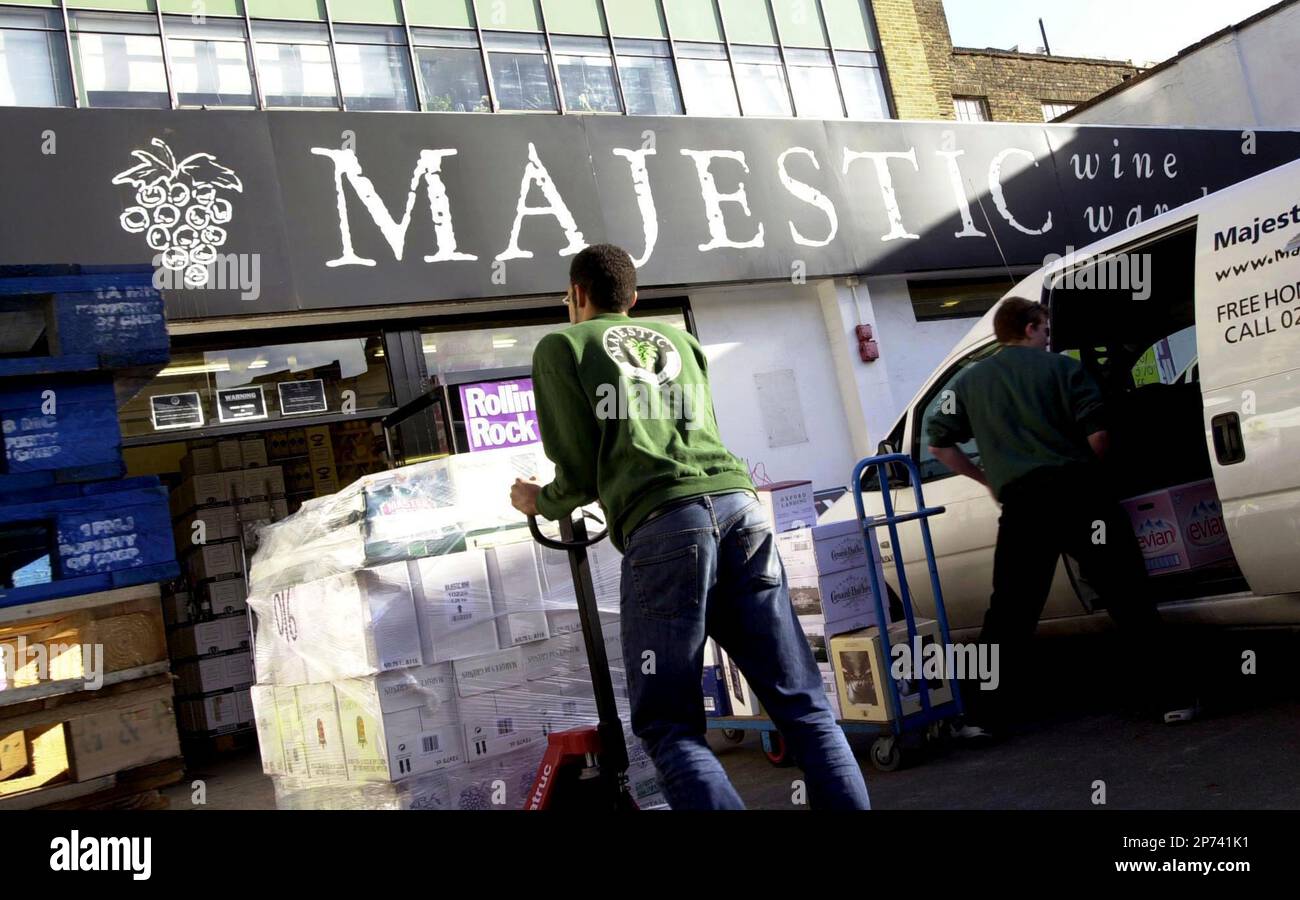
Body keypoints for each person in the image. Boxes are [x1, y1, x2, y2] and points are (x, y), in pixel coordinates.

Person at [509, 244, 871, 810]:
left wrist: (540, 499)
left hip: (665, 529)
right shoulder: (683, 343)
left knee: (669, 724)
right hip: (739, 510)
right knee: (802, 704)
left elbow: (577, 472)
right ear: (633, 298)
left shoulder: (562, 345)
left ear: (576, 295)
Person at [926, 296, 1195, 737]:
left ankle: (982, 717)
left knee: (1010, 611)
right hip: (1082, 499)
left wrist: (988, 479)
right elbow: (1101, 436)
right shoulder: (1064, 370)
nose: (1048, 338)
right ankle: (1172, 699)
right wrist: (1085, 474)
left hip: (1023, 507)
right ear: (1029, 327)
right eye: (1045, 329)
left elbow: (938, 445)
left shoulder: (970, 383)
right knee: (1126, 594)